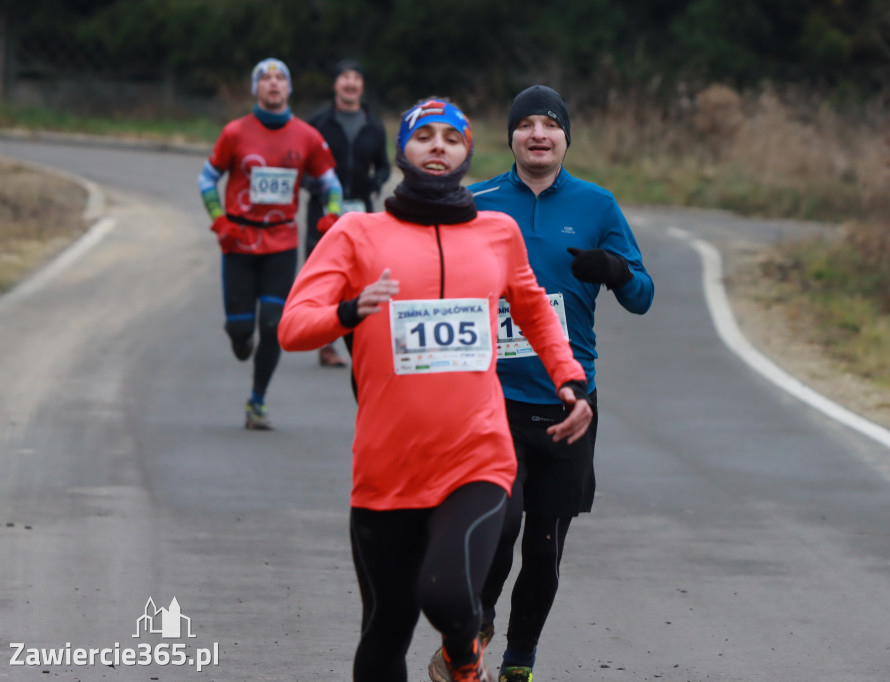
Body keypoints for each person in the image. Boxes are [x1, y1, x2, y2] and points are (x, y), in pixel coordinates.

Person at [278, 98, 593, 682]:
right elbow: (294, 326)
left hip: (476, 456)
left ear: (468, 152)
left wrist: (569, 379)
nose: (439, 145)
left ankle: (463, 655)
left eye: (453, 136)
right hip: (387, 468)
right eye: (425, 136)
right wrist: (349, 309)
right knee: (384, 636)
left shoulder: (496, 233)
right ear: (402, 152)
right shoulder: (358, 234)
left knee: (448, 596)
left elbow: (536, 314)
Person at [430, 85, 654, 682]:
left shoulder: (598, 205)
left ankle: (520, 662)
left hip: (568, 404)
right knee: (498, 528)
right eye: (525, 124)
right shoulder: (476, 203)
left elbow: (643, 297)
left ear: (564, 138)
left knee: (546, 546)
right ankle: (474, 629)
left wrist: (616, 270)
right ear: (510, 137)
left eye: (549, 124)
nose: (537, 134)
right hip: (491, 400)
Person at [197, 57, 342, 430]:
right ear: (255, 89)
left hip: (281, 241)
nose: (273, 83)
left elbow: (331, 184)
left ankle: (257, 402)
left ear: (289, 89)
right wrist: (219, 220)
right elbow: (206, 180)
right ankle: (241, 339)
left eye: (280, 78)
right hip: (239, 241)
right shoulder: (234, 132)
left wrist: (332, 214)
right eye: (265, 78)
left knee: (274, 323)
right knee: (242, 332)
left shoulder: (307, 136)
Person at [304, 57, 391, 368]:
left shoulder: (374, 124)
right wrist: (315, 187)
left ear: (362, 85)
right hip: (323, 210)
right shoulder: (318, 123)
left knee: (360, 273)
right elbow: (301, 164)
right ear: (336, 84)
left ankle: (359, 339)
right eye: (345, 77)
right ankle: (325, 343)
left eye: (356, 77)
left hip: (361, 210)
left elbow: (383, 165)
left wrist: (376, 181)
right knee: (324, 273)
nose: (351, 82)